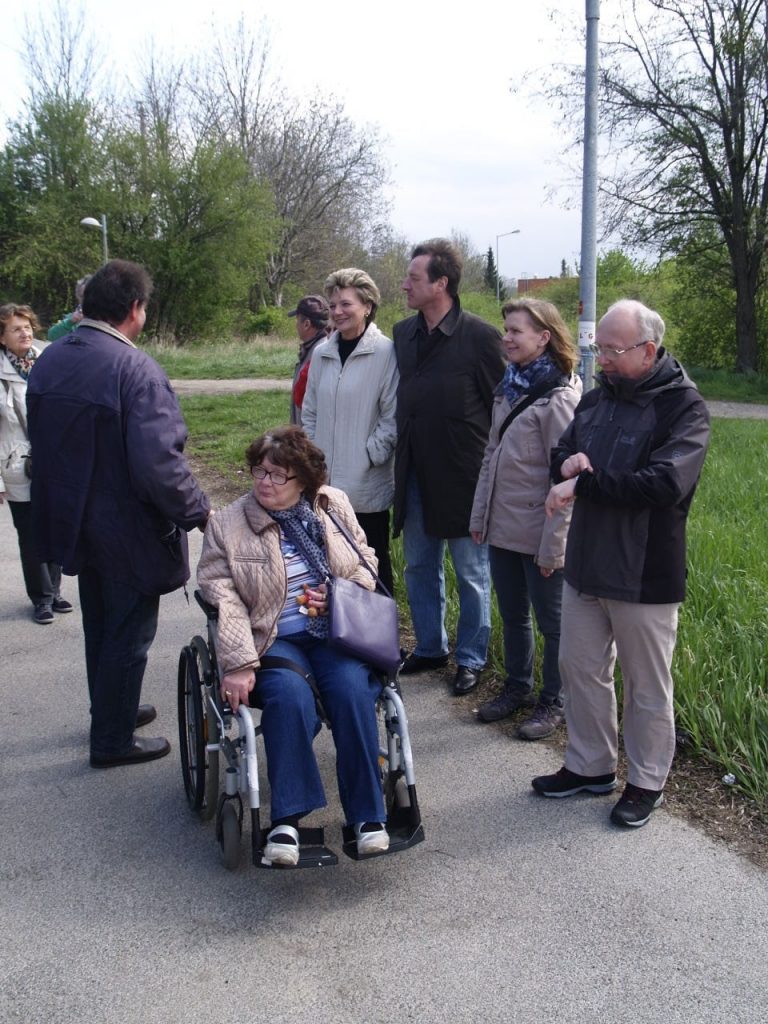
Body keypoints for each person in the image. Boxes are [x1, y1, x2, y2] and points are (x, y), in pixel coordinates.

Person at [532, 299, 710, 828]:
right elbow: (562, 450)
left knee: (647, 684)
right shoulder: (596, 397)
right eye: (599, 348)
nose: (601, 358)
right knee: (580, 669)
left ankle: (647, 780)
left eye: (611, 349)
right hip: (587, 560)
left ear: (648, 351)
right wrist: (565, 462)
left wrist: (580, 482)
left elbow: (664, 484)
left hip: (646, 570)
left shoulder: (685, 407)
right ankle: (590, 766)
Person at [27, 260, 210, 769]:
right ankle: (111, 739)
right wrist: (202, 514)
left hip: (74, 519)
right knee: (128, 635)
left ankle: (112, 710)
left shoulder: (51, 358)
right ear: (135, 309)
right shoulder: (135, 369)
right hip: (126, 526)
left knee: (101, 625)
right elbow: (160, 466)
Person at [197, 426, 389, 865]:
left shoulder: (332, 505)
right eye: (259, 471)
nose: (265, 481)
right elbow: (220, 596)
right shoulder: (228, 524)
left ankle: (367, 817)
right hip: (272, 637)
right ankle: (287, 820)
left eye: (277, 475)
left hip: (335, 634)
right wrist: (239, 662)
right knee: (288, 696)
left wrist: (339, 593)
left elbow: (367, 563)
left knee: (352, 691)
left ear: (304, 480)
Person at [393, 238, 505, 695]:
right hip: (414, 473)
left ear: (441, 284)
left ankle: (471, 658)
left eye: (414, 278)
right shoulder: (403, 334)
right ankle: (431, 646)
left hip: (464, 478)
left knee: (472, 574)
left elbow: (503, 406)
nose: (405, 285)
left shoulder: (480, 337)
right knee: (419, 566)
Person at [470, 298, 581, 737]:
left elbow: (566, 482)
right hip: (503, 528)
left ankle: (552, 702)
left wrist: (554, 546)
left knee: (553, 625)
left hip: (541, 534)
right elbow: (490, 456)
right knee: (513, 616)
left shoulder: (559, 399)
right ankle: (517, 688)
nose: (507, 338)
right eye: (506, 329)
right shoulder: (509, 386)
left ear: (544, 338)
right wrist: (480, 516)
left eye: (517, 331)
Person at [302, 268, 397, 594]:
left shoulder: (386, 352)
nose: (338, 312)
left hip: (365, 486)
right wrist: (313, 455)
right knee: (328, 567)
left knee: (372, 566)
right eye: (333, 306)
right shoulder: (322, 352)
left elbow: (392, 416)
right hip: (323, 484)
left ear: (367, 306)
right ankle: (338, 639)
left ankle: (381, 643)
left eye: (346, 304)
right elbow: (310, 410)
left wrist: (369, 456)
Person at [0, 304, 71, 624]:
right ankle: (40, 598)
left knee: (57, 527)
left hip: (54, 462)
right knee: (31, 534)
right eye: (16, 329)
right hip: (17, 465)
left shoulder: (48, 361)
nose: (25, 333)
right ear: (2, 337)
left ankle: (55, 591)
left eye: (27, 326)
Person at [288, 294, 331, 424]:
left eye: (297, 320)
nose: (296, 325)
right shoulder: (313, 348)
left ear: (306, 324)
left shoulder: (321, 353)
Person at [47, 275, 91, 341]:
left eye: (90, 294)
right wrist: (70, 321)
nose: (86, 299)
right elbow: (51, 336)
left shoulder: (106, 318)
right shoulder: (72, 318)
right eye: (82, 296)